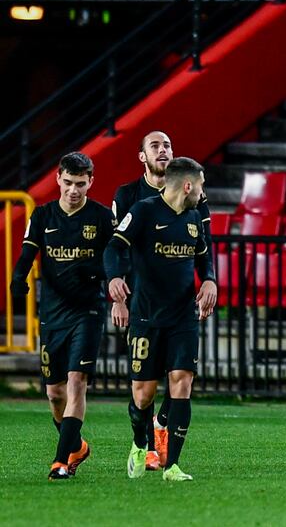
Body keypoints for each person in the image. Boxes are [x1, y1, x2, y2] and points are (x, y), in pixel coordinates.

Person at [104, 156, 216, 482]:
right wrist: (113, 278)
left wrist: (209, 279)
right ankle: (141, 444)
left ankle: (173, 466)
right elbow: (113, 247)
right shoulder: (143, 211)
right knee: (143, 393)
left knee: (182, 382)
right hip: (146, 316)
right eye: (201, 184)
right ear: (187, 185)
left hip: (183, 316)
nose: (203, 191)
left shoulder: (194, 217)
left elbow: (203, 257)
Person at [10, 152, 115, 480]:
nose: (73, 190)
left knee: (76, 382)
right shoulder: (42, 216)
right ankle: (77, 446)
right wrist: (17, 279)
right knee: (54, 393)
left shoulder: (100, 217)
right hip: (52, 313)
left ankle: (60, 461)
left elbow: (115, 261)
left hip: (88, 311)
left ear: (90, 182)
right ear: (58, 179)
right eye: (68, 183)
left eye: (80, 184)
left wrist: (94, 271)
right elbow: (28, 252)